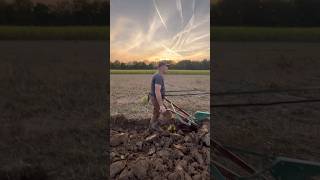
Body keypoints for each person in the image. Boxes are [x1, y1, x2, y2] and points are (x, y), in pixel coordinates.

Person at [149, 61, 169, 131]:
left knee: (156, 113)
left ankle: (151, 127)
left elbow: (158, 91)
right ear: (162, 67)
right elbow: (157, 91)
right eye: (166, 66)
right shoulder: (159, 77)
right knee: (168, 115)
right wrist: (161, 105)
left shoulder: (157, 75)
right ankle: (155, 126)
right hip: (156, 99)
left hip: (155, 98)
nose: (167, 68)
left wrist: (163, 95)